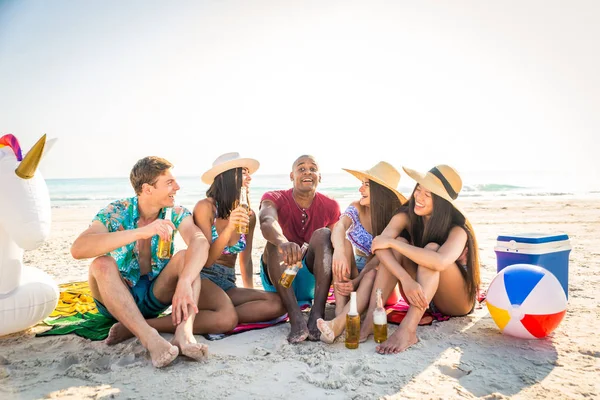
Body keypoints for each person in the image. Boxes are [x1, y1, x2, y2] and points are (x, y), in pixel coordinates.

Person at [71, 156, 233, 368]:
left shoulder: (175, 213)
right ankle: (150, 338)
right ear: (147, 189)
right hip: (118, 298)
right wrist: (141, 232)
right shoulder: (116, 212)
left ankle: (184, 333)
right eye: (169, 183)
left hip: (156, 295)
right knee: (101, 264)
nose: (177, 186)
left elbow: (199, 242)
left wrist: (184, 281)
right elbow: (78, 248)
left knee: (186, 257)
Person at [359, 164, 480, 354]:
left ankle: (408, 331)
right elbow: (378, 246)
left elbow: (439, 262)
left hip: (456, 301)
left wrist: (395, 244)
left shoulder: (458, 229)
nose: (419, 197)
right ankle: (370, 320)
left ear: (441, 202)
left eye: (428, 195)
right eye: (418, 189)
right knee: (396, 244)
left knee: (429, 250)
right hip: (420, 292)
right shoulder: (407, 215)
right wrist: (406, 279)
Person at [315, 161, 406, 343]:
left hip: (382, 282)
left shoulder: (396, 218)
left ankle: (339, 323)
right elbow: (340, 226)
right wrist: (340, 250)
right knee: (345, 245)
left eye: (366, 185)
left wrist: (358, 279)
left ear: (381, 191)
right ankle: (342, 312)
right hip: (354, 273)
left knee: (371, 273)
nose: (360, 189)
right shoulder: (357, 207)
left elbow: (378, 258)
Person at [194, 152, 286, 324]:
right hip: (203, 280)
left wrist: (250, 293)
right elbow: (206, 261)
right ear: (226, 177)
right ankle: (219, 315)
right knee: (229, 309)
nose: (249, 178)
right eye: (244, 172)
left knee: (277, 303)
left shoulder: (248, 215)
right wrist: (229, 228)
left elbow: (245, 260)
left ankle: (217, 316)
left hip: (228, 282)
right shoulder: (205, 208)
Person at [258, 155, 341, 343]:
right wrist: (282, 242)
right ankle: (295, 317)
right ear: (291, 175)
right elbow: (266, 221)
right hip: (280, 278)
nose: (307, 172)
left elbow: (336, 246)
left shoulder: (331, 205)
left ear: (320, 177)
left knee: (323, 234)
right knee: (272, 243)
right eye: (301, 168)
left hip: (311, 281)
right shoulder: (274, 197)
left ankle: (317, 313)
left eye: (313, 168)